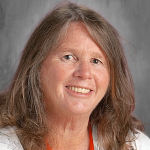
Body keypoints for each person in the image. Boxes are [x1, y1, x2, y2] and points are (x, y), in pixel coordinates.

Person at [0, 2, 150, 150]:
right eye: (68, 57)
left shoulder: (137, 145)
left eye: (96, 61)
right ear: (36, 65)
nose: (84, 73)